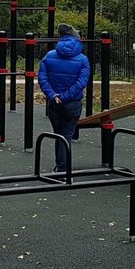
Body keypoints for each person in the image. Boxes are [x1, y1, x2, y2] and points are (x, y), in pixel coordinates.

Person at [37, 24, 91, 173]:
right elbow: (81, 82)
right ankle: (62, 168)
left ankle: (60, 165)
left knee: (58, 133)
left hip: (54, 102)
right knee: (66, 134)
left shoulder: (49, 55)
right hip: (72, 103)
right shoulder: (83, 60)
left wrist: (53, 95)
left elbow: (42, 77)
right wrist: (65, 96)